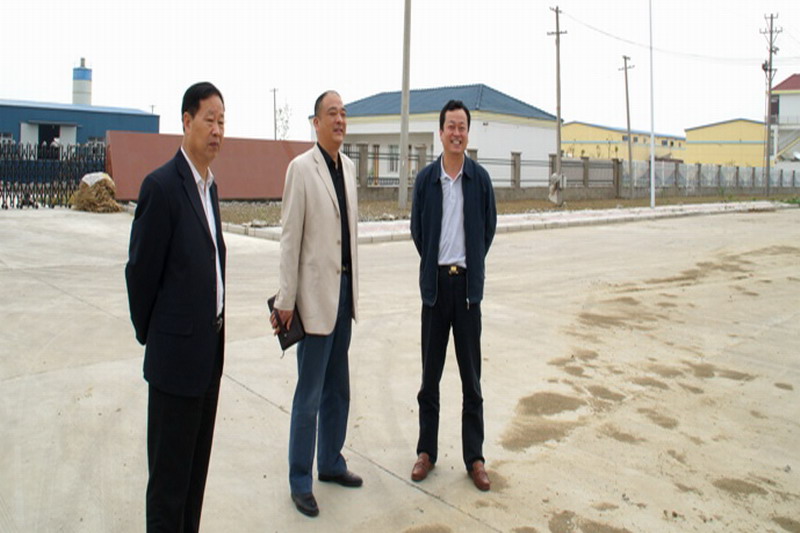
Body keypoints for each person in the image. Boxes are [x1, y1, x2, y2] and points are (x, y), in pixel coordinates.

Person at [125, 81, 226, 532]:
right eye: (210, 119)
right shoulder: (162, 187)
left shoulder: (209, 188)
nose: (217, 130)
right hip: (174, 364)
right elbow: (140, 274)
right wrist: (158, 336)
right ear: (186, 121)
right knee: (168, 487)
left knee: (193, 481)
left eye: (222, 122)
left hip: (208, 359)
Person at [270, 90, 361, 518]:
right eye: (332, 113)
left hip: (343, 295)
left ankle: (331, 462)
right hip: (312, 299)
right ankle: (299, 480)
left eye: (343, 113)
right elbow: (290, 239)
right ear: (316, 122)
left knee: (338, 387)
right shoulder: (301, 169)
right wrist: (285, 300)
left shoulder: (349, 168)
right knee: (309, 394)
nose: (339, 120)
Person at [409, 99, 497, 492]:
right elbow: (418, 231)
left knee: (471, 380)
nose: (456, 133)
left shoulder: (480, 180)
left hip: (466, 294)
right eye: (451, 126)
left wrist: (470, 263)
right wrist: (436, 263)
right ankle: (426, 452)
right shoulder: (427, 180)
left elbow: (487, 230)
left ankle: (474, 458)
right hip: (435, 290)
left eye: (462, 127)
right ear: (441, 131)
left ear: (467, 132)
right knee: (429, 378)